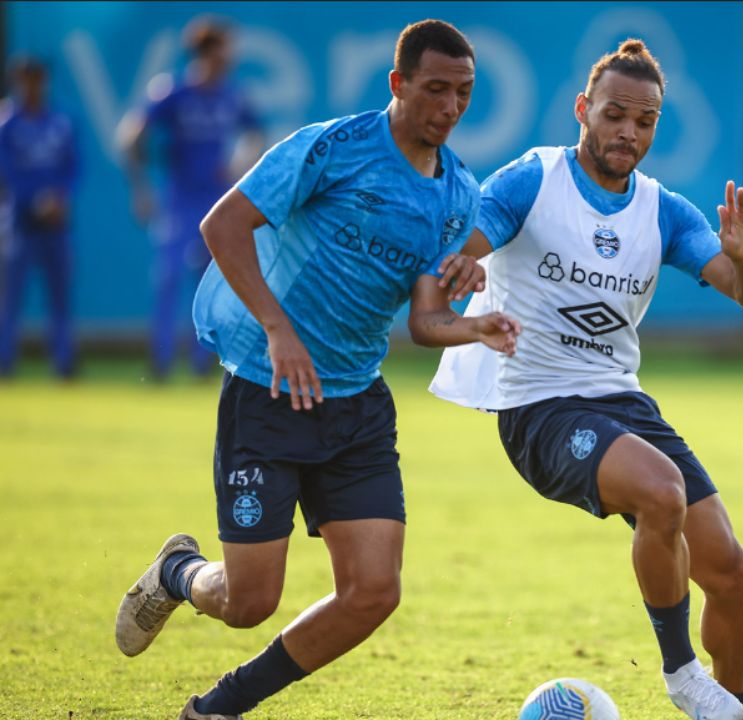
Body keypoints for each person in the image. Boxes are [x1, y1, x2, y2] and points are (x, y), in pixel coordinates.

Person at [114, 20, 518, 720]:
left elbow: (423, 322)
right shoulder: (334, 148)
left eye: (464, 93)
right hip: (270, 392)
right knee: (247, 603)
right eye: (435, 90)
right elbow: (222, 226)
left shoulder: (458, 195)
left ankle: (219, 708)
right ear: (397, 85)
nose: (450, 107)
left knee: (373, 593)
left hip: (356, 405)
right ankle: (178, 573)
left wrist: (474, 324)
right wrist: (279, 329)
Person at [432, 39, 743, 720]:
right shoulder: (536, 178)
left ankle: (732, 708)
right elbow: (469, 242)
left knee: (732, 575)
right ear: (584, 110)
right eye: (615, 115)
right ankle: (681, 674)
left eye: (644, 122)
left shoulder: (663, 209)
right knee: (661, 493)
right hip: (539, 407)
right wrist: (464, 264)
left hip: (620, 402)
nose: (628, 133)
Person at [118, 16, 264, 380]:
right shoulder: (174, 93)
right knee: (168, 279)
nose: (230, 57)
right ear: (206, 51)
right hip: (179, 200)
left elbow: (257, 135)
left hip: (218, 202)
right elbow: (132, 137)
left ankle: (205, 364)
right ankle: (161, 362)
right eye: (223, 49)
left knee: (214, 283)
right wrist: (142, 188)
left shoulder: (232, 95)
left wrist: (239, 162)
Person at [0, 57, 79, 379]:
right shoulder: (7, 122)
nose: (32, 87)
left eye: (37, 80)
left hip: (55, 224)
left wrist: (60, 198)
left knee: (60, 298)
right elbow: (5, 172)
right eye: (25, 80)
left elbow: (75, 166)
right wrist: (34, 202)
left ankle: (63, 363)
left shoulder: (60, 121)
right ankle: (5, 362)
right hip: (18, 222)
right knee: (10, 298)